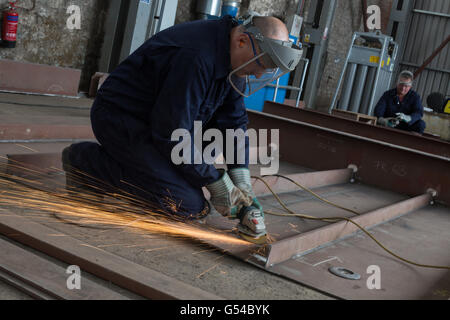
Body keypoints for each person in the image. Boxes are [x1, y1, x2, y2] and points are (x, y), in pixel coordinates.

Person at [61, 13, 302, 238]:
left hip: (164, 126)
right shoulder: (196, 57)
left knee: (200, 169)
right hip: (122, 120)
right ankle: (85, 161)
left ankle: (151, 171)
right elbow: (172, 134)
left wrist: (241, 180)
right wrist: (217, 183)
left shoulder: (232, 57)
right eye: (259, 65)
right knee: (186, 206)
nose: (259, 75)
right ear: (241, 41)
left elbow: (234, 123)